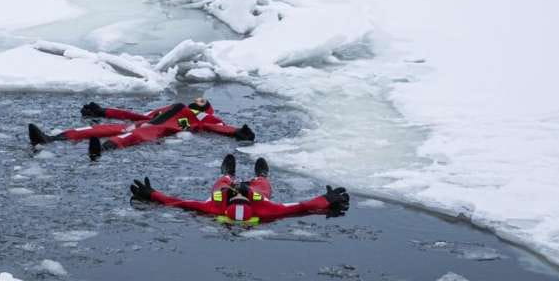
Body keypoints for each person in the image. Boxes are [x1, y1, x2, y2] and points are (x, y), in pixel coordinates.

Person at [128, 154, 350, 225]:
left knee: (220, 186)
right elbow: (301, 206)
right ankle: (260, 176)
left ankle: (226, 174)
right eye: (239, 196)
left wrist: (151, 194)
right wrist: (327, 199)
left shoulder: (214, 205)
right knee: (263, 187)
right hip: (258, 198)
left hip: (221, 198)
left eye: (239, 196)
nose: (239, 193)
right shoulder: (266, 209)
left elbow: (177, 202)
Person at [27, 98, 255, 160]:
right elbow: (139, 115)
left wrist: (236, 132)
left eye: (203, 101)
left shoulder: (207, 117)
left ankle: (100, 151)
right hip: (142, 123)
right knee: (99, 129)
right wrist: (104, 112)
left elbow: (216, 128)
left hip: (159, 130)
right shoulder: (170, 107)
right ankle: (51, 139)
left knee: (131, 136)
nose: (199, 101)